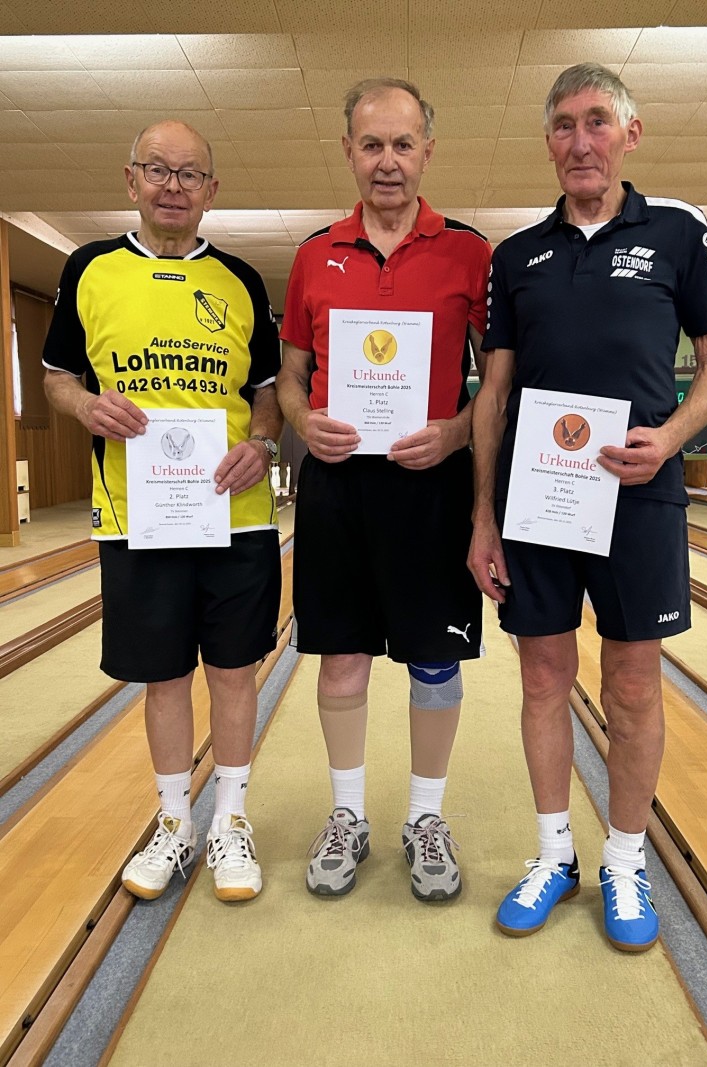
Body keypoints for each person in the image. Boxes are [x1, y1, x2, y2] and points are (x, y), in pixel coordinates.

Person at [468, 63, 707, 950]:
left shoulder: (677, 231)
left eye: (597, 122)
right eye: (564, 125)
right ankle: (555, 854)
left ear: (630, 133)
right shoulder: (517, 256)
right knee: (542, 677)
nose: (580, 141)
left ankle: (625, 858)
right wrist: (482, 518)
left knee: (631, 682)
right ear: (547, 140)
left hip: (639, 496)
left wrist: (671, 438)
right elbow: (494, 395)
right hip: (537, 501)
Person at [42, 120, 283, 903]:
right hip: (137, 514)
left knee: (234, 670)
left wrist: (265, 444)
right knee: (165, 675)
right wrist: (87, 406)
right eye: (158, 170)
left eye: (189, 174)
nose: (173, 186)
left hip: (235, 513)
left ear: (212, 190)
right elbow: (55, 378)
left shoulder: (241, 280)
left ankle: (231, 821)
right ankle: (175, 821)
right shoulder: (89, 268)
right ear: (131, 179)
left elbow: (269, 396)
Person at [277, 78, 490, 902]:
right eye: (372, 145)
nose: (388, 161)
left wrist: (456, 432)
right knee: (342, 657)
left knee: (435, 657)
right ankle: (348, 814)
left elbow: (498, 383)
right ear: (349, 153)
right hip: (338, 488)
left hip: (431, 489)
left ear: (428, 151)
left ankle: (425, 818)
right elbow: (290, 377)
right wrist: (305, 419)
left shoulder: (469, 252)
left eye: (403, 144)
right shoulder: (314, 254)